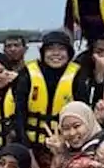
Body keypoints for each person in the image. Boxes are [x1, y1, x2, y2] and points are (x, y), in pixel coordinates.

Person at [15, 30, 82, 160]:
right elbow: (19, 115)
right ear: (43, 53)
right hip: (31, 146)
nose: (56, 53)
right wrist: (27, 149)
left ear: (69, 53)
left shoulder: (78, 76)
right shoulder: (28, 74)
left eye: (61, 49)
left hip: (66, 144)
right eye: (50, 49)